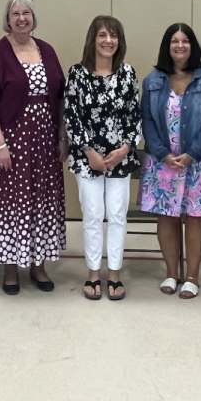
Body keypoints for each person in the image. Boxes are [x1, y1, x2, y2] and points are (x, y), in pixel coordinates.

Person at [0, 0, 68, 295]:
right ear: (8, 20)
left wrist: (62, 137)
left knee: (40, 200)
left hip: (43, 144)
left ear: (33, 18)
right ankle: (10, 268)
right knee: (10, 202)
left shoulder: (47, 51)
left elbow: (62, 98)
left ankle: (38, 265)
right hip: (8, 143)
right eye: (15, 14)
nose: (21, 18)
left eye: (27, 12)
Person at [139, 23, 201, 299]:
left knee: (196, 218)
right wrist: (163, 153)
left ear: (192, 45)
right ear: (167, 46)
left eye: (185, 40)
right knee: (166, 217)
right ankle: (171, 273)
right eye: (174, 41)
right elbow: (147, 121)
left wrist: (192, 154)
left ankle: (192, 276)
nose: (179, 45)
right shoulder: (152, 80)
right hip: (162, 161)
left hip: (199, 161)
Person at [64, 16, 141, 300]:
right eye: (102, 35)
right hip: (88, 159)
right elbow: (71, 117)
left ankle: (115, 273)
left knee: (117, 215)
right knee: (93, 215)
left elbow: (134, 114)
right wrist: (89, 152)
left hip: (119, 157)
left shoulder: (127, 73)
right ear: (92, 39)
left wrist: (124, 148)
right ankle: (93, 273)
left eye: (114, 36)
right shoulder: (77, 73)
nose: (108, 41)